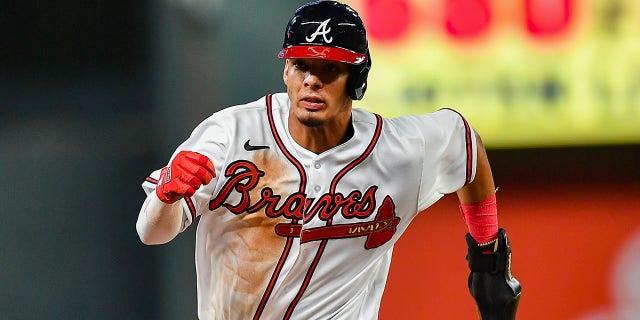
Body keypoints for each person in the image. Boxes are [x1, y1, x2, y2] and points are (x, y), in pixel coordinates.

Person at [136, 1, 521, 319]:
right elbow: (152, 233)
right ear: (286, 71)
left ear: (358, 78)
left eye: (329, 69)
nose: (311, 81)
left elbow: (465, 143)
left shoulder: (399, 150)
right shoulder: (230, 135)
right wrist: (166, 194)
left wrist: (486, 255)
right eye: (302, 65)